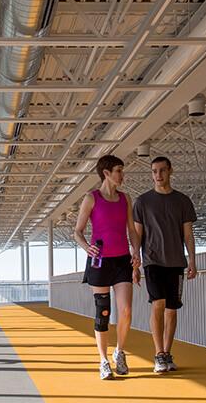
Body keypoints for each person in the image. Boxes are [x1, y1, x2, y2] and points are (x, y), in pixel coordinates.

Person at [74, 154, 141, 380]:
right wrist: (86, 247)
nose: (122, 175)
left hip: (122, 260)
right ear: (106, 173)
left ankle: (119, 351)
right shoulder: (91, 198)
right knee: (103, 312)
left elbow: (131, 230)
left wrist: (136, 253)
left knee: (126, 311)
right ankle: (103, 361)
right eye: (119, 170)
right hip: (100, 261)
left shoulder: (125, 199)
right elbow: (78, 231)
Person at [132, 156, 197, 373]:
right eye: (154, 171)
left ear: (170, 171)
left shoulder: (183, 201)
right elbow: (137, 235)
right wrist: (135, 264)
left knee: (172, 309)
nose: (158, 175)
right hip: (153, 261)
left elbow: (188, 234)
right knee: (157, 304)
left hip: (176, 262)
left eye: (161, 170)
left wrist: (192, 260)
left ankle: (168, 353)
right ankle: (158, 353)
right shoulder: (142, 202)